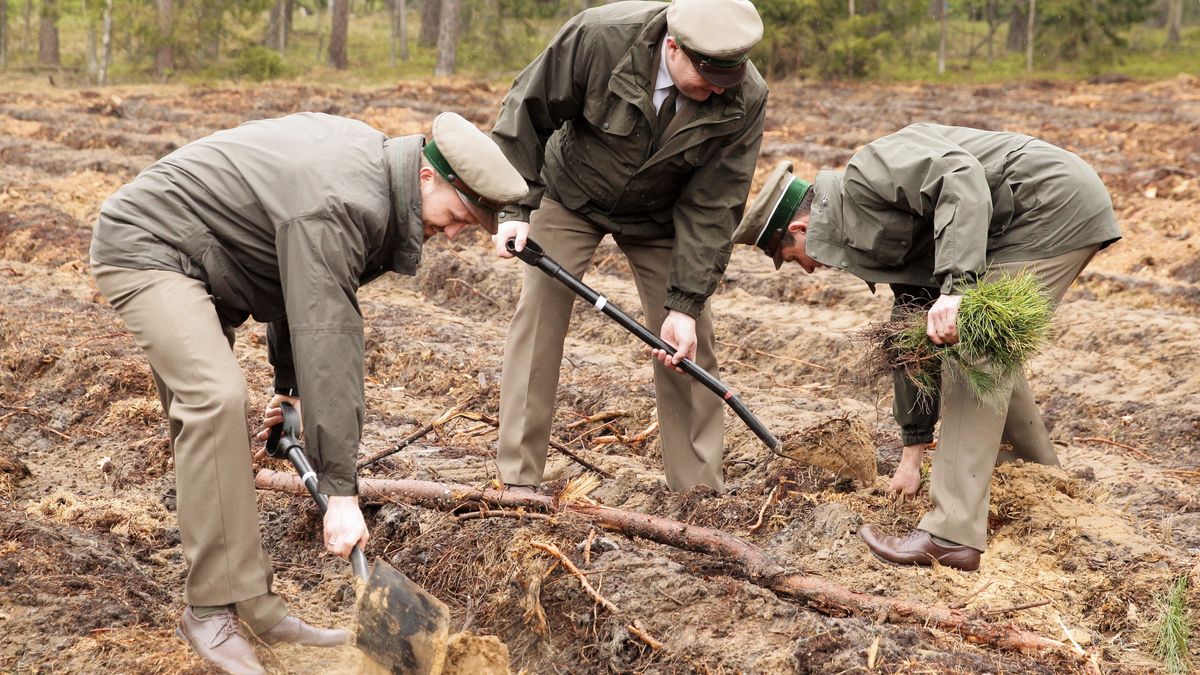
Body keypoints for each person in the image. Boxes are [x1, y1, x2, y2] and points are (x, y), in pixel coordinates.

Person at [89, 111, 527, 672]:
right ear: (426, 178)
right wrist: (341, 492)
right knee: (213, 401)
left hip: (207, 256)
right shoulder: (344, 200)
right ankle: (210, 612)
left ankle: (253, 606)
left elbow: (302, 286)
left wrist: (290, 390)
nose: (453, 231)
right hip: (150, 244)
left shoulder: (375, 186)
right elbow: (329, 336)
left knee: (215, 418)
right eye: (460, 215)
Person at [732, 123, 1120, 571]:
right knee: (982, 345)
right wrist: (911, 453)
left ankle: (950, 534)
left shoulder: (870, 172)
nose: (805, 271)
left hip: (1048, 207)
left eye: (790, 257)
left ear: (799, 228)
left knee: (974, 349)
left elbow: (959, 174)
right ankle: (1040, 480)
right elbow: (912, 331)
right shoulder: (861, 233)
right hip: (1026, 219)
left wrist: (957, 287)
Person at [489, 0, 768, 493]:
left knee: (686, 339)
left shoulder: (745, 95)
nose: (713, 95)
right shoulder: (600, 38)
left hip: (661, 212)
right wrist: (514, 209)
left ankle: (698, 490)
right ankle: (519, 478)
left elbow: (715, 203)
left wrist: (683, 303)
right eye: (705, 82)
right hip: (571, 189)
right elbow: (526, 111)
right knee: (539, 315)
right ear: (674, 46)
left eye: (725, 85)